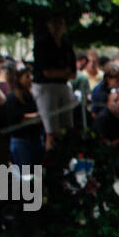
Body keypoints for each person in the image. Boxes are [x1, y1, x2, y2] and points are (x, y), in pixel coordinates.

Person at [31, 14, 76, 149]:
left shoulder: (67, 45)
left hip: (62, 87)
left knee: (67, 127)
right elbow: (47, 72)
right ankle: (51, 160)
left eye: (60, 23)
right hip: (45, 88)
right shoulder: (42, 44)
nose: (57, 27)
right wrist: (63, 72)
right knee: (52, 130)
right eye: (54, 23)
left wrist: (61, 73)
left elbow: (73, 73)